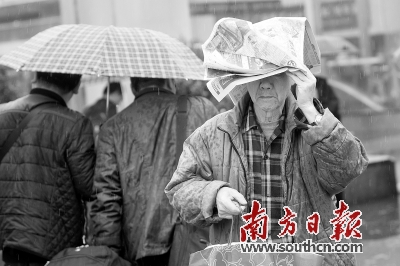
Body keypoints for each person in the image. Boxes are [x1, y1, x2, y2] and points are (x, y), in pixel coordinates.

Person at [165, 69, 369, 266]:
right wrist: (214, 195)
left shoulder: (312, 125)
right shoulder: (213, 133)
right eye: (256, 75)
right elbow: (179, 189)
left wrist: (309, 107)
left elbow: (349, 168)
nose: (264, 84)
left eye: (276, 74)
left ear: (292, 76)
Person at [89, 77, 218, 266]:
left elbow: (106, 200)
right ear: (171, 81)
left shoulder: (113, 127)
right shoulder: (202, 109)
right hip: (195, 243)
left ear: (133, 87)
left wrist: (108, 255)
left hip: (138, 248)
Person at [0, 72, 95, 266]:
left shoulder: (2, 113)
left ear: (36, 77)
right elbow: (88, 187)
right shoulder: (76, 123)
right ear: (77, 86)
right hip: (53, 242)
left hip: (8, 233)